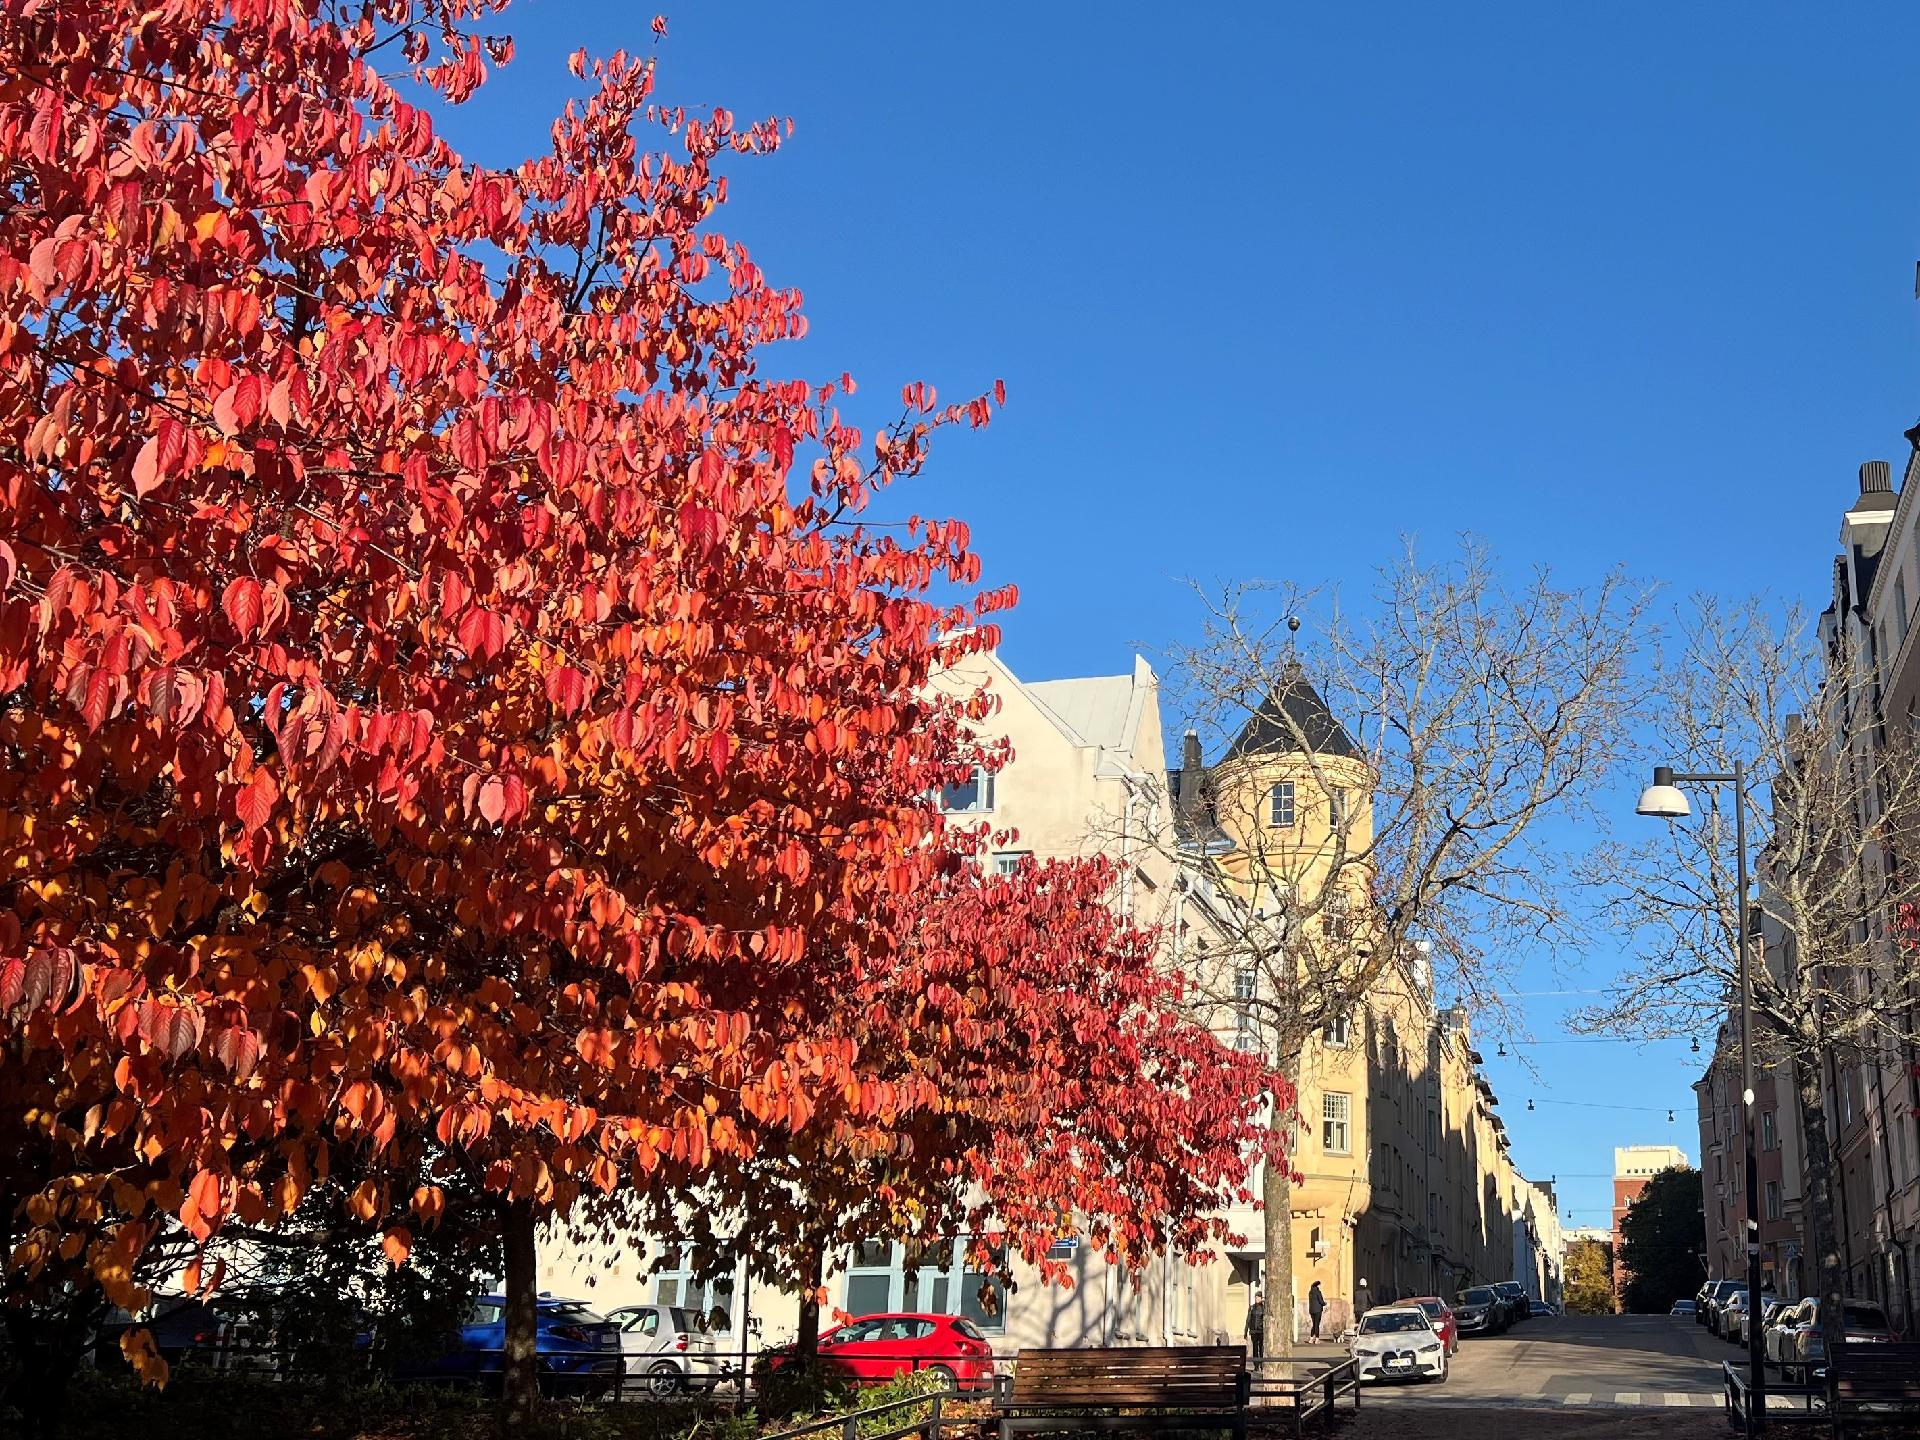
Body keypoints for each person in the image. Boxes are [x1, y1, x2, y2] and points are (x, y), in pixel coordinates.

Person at [1245, 1289, 1266, 1360]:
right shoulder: (1251, 1308)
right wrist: (1245, 1331)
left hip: (1261, 1331)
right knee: (1255, 1349)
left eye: (1258, 1297)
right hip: (1254, 1331)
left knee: (1261, 1348)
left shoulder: (1264, 1308)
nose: (1257, 1299)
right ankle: (1256, 1365)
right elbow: (1248, 1320)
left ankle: (1261, 1364)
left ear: (1261, 1298)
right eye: (1256, 1297)